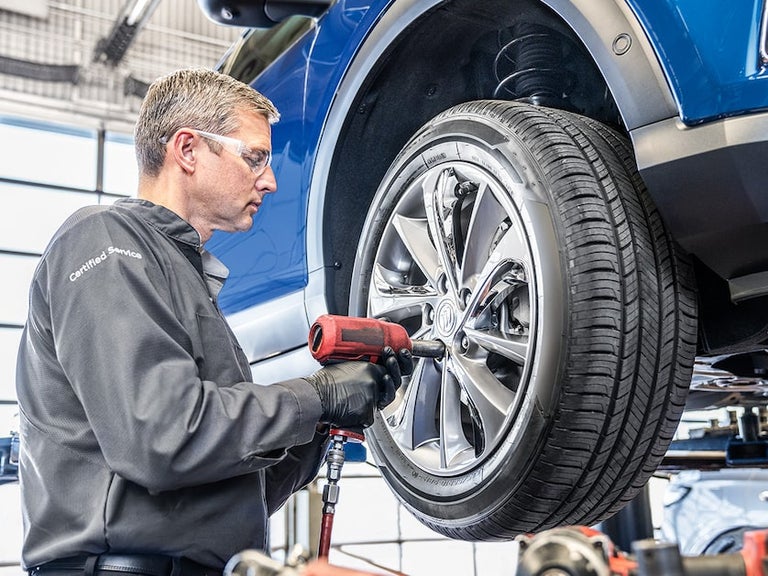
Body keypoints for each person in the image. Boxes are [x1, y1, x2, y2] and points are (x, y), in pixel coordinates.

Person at [15, 67, 411, 576]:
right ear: (187, 150)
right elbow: (162, 436)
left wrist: (322, 423)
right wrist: (319, 395)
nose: (268, 179)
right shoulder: (104, 241)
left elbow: (233, 491)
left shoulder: (185, 279)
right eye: (255, 157)